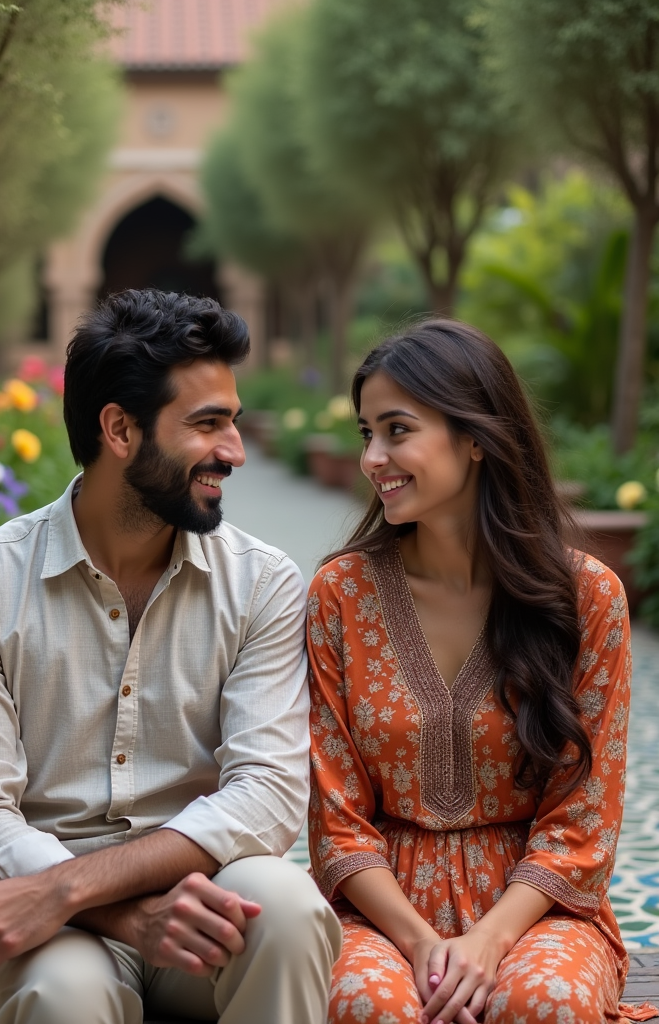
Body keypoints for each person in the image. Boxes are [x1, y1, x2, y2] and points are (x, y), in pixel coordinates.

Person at [0, 289, 341, 1024]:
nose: (235, 452)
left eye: (233, 422)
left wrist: (78, 887)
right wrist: (109, 909)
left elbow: (267, 795)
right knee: (65, 994)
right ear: (119, 428)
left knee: (289, 910)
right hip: (28, 911)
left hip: (196, 885)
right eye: (207, 425)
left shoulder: (263, 582)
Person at [307, 319, 657, 1024]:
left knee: (540, 1001)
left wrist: (489, 941)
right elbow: (335, 820)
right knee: (368, 1003)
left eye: (397, 430)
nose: (375, 457)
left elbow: (583, 821)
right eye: (365, 432)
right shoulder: (340, 596)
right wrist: (423, 946)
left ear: (475, 438)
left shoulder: (586, 598)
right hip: (379, 910)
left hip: (537, 910)